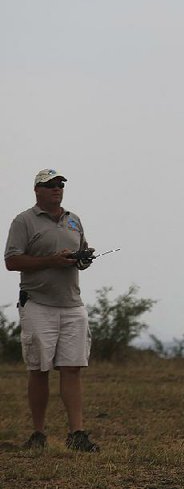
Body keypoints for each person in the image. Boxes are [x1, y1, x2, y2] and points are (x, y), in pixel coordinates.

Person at [4, 169, 99, 452]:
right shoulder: (24, 221)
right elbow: (12, 262)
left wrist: (83, 259)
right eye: (50, 185)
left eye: (60, 185)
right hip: (38, 303)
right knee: (39, 368)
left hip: (72, 304)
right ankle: (38, 434)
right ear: (37, 190)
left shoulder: (74, 219)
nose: (57, 189)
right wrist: (51, 261)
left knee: (72, 369)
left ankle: (77, 434)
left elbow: (79, 251)